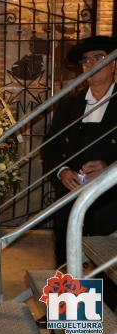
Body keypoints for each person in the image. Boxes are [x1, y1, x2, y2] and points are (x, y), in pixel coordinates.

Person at [43, 35, 116, 309]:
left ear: (113, 64)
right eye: (86, 60)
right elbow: (49, 148)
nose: (92, 64)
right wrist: (61, 172)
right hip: (71, 197)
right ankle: (69, 323)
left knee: (104, 266)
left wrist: (110, 169)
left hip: (110, 202)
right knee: (66, 256)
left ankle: (105, 322)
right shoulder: (69, 104)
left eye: (99, 57)